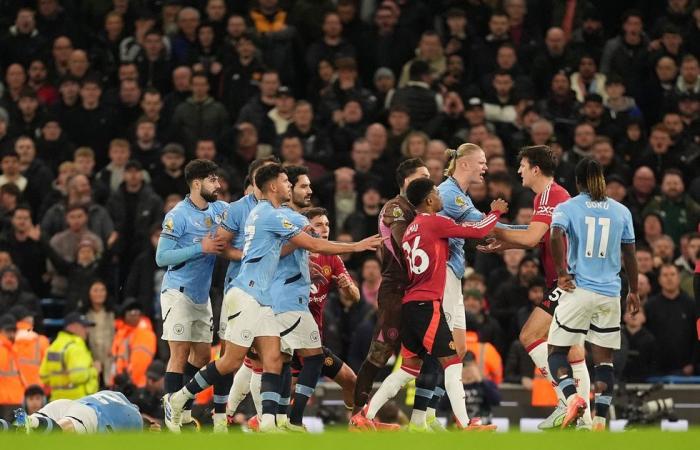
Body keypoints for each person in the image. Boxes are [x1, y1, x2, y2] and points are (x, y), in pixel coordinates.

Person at [164, 163, 382, 433]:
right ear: (272, 187)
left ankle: (269, 422)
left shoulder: (265, 212)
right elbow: (314, 244)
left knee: (274, 359)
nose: (289, 185)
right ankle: (180, 398)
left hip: (261, 298)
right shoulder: (271, 215)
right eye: (285, 181)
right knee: (231, 362)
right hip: (247, 294)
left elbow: (286, 248)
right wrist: (357, 246)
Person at [351, 177, 506, 431]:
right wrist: (496, 212)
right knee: (453, 362)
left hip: (410, 306)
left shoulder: (411, 228)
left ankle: (364, 415)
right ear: (430, 199)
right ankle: (468, 424)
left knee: (407, 370)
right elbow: (477, 231)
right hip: (427, 306)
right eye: (436, 191)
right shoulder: (436, 222)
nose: (440, 195)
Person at [477, 145, 591, 429]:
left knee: (530, 335)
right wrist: (505, 241)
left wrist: (485, 225)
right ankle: (586, 422)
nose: (519, 171)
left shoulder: (551, 195)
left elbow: (531, 239)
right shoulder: (550, 196)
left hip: (568, 280)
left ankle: (566, 402)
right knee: (574, 352)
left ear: (536, 169)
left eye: (523, 166)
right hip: (574, 278)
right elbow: (537, 237)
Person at [547, 158, 639, 431]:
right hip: (611, 294)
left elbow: (554, 236)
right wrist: (633, 290)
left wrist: (561, 272)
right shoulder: (621, 211)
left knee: (555, 350)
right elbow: (630, 254)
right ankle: (599, 421)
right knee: (604, 361)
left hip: (580, 290)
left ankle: (572, 398)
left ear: (577, 182)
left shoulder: (567, 207)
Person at [351, 159, 430, 420]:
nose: (429, 181)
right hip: (396, 288)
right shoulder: (395, 208)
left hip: (416, 287)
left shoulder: (419, 209)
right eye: (423, 176)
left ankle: (421, 418)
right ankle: (358, 414)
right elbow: (406, 242)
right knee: (381, 350)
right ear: (408, 181)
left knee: (427, 353)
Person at [155, 159, 228, 431]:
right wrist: (202, 247)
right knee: (179, 351)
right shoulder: (178, 215)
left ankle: (182, 407)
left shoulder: (220, 209)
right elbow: (162, 257)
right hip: (178, 291)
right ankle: (172, 410)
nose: (218, 185)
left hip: (201, 295)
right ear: (197, 183)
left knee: (202, 357)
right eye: (212, 180)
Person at [10, 390, 148, 433]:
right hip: (89, 415)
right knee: (60, 432)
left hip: (67, 404)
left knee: (21, 431)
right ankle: (29, 422)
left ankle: (26, 421)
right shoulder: (135, 419)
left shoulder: (116, 394)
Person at [39, 313, 99, 401]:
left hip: (57, 401)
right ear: (72, 327)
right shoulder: (76, 346)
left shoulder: (54, 346)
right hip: (78, 402)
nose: (87, 331)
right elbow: (78, 376)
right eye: (84, 327)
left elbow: (44, 376)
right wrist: (94, 370)